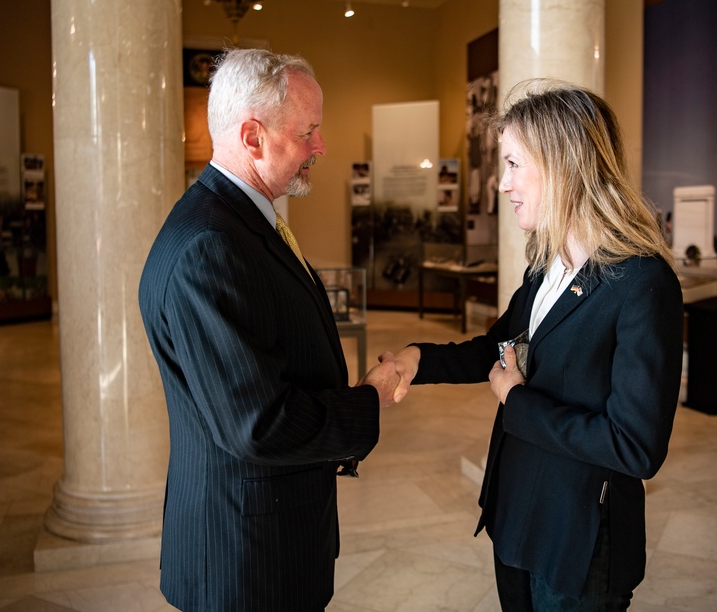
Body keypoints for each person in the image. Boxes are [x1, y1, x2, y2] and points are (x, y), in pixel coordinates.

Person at [387, 81, 684, 611]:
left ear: (565, 165)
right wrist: (418, 358)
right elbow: (497, 348)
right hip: (516, 512)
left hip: (579, 537)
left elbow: (635, 447)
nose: (504, 185)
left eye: (514, 164)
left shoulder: (642, 283)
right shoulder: (546, 265)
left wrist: (515, 400)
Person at [139, 49, 402, 612]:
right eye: (308, 131)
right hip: (248, 558)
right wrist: (369, 402)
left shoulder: (238, 222)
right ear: (253, 137)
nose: (321, 147)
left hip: (264, 539)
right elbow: (259, 424)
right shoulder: (211, 247)